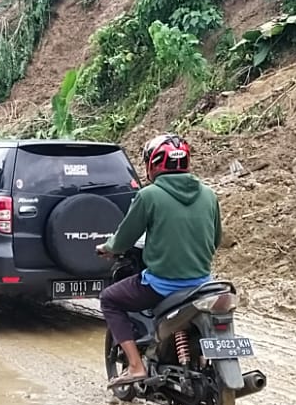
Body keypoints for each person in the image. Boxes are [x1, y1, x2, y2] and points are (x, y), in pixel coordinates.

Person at [95, 134, 223, 388]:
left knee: (109, 299)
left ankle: (135, 365)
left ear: (152, 165)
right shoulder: (209, 195)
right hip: (202, 284)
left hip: (162, 285)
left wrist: (108, 247)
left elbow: (123, 239)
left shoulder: (149, 195)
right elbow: (216, 239)